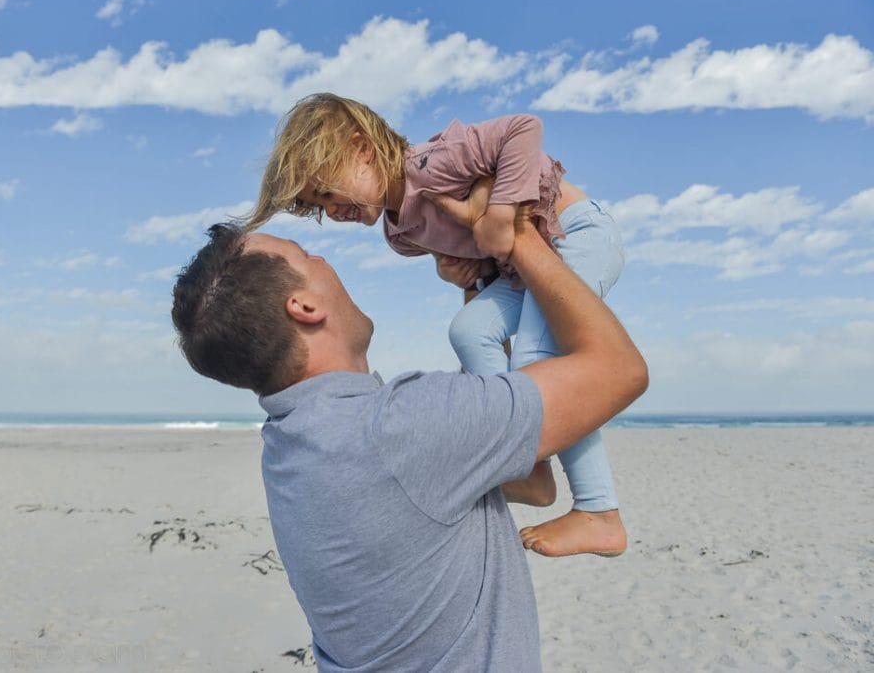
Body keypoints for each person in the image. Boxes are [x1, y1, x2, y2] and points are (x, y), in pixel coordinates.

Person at [171, 182, 648, 671]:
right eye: (308, 256)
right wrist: (517, 233)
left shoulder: (291, 447)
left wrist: (477, 284)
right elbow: (619, 371)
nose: (325, 260)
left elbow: (529, 482)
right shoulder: (398, 428)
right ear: (305, 307)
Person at [243, 93, 628, 557]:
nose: (332, 210)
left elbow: (522, 128)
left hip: (574, 234)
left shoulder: (433, 163)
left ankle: (599, 510)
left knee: (535, 354)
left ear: (362, 149)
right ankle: (526, 464)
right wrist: (463, 273)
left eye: (327, 191)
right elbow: (480, 261)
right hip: (522, 272)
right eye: (318, 206)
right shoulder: (399, 234)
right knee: (469, 330)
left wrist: (500, 211)